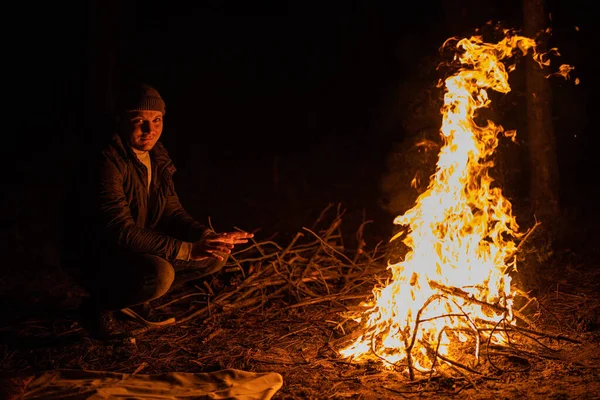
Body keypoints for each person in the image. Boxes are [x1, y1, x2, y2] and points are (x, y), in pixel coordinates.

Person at [62, 83, 253, 338]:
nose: (150, 130)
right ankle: (97, 306)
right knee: (161, 275)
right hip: (96, 253)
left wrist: (205, 236)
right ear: (120, 120)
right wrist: (186, 250)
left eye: (157, 120)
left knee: (214, 254)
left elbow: (170, 212)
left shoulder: (155, 154)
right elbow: (120, 230)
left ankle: (136, 299)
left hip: (131, 247)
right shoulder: (106, 159)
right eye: (139, 120)